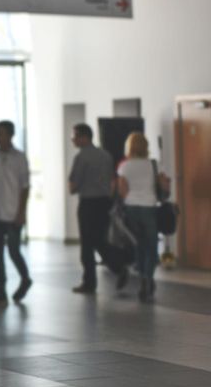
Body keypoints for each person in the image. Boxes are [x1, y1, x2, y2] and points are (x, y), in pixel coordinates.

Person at [69, 123, 129, 294]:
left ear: (84, 137)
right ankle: (118, 265)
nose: (73, 139)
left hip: (88, 203)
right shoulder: (106, 155)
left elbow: (73, 186)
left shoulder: (81, 157)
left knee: (87, 244)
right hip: (104, 203)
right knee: (100, 239)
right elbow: (112, 180)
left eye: (75, 136)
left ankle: (90, 282)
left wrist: (75, 186)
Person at [117, 132, 170, 302]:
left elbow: (122, 191)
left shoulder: (124, 166)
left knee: (138, 244)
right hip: (149, 207)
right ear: (146, 146)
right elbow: (164, 185)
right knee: (151, 245)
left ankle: (142, 278)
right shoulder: (154, 165)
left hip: (131, 208)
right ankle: (148, 277)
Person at [0, 121, 32, 305]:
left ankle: (25, 277)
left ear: (10, 135)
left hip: (13, 212)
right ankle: (0, 289)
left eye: (2, 133)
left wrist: (21, 212)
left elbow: (25, 187)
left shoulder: (19, 158)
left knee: (13, 250)